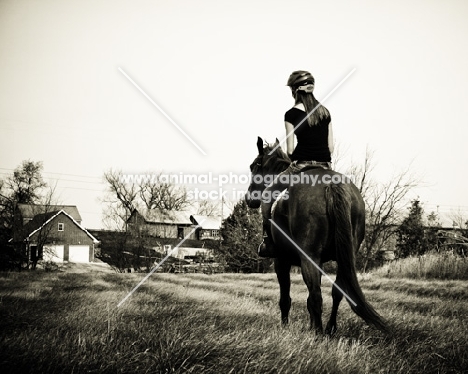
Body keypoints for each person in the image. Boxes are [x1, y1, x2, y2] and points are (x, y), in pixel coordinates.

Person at [258, 70, 334, 258]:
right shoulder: (325, 112)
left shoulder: (291, 114)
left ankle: (269, 242)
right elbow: (331, 147)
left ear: (294, 90)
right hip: (326, 166)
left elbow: (290, 150)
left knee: (268, 194)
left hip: (301, 166)